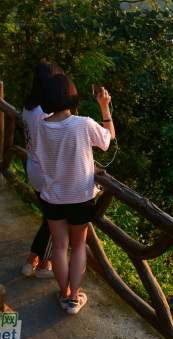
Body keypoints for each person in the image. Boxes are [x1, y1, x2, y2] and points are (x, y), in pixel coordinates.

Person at [34, 75, 115, 314]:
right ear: (71, 95)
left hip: (52, 196)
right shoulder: (83, 123)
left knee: (59, 247)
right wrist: (104, 106)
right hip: (80, 196)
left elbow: (39, 155)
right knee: (78, 245)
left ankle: (64, 294)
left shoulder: (41, 125)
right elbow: (107, 140)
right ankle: (74, 299)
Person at [21, 62, 65, 278]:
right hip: (46, 173)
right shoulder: (43, 113)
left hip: (35, 168)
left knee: (50, 218)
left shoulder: (30, 106)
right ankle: (41, 266)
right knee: (55, 221)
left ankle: (32, 262)